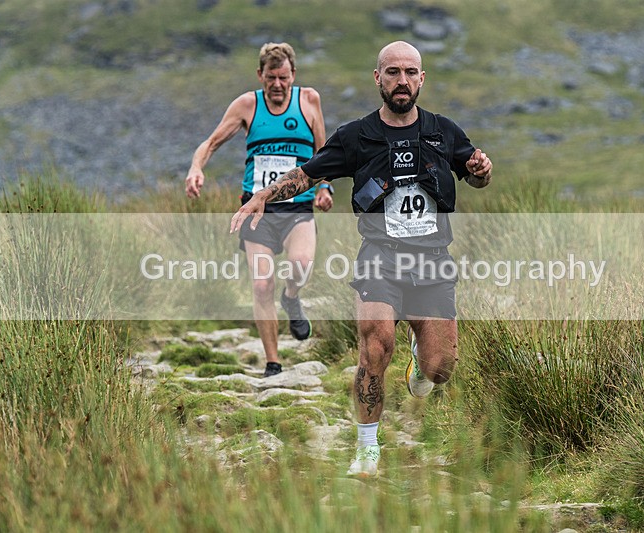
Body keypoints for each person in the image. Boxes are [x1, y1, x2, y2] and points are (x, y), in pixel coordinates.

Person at [230, 41, 492, 476]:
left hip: (432, 260)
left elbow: (476, 174)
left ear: (422, 78)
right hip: (379, 259)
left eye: (410, 72)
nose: (402, 81)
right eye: (393, 72)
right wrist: (263, 196)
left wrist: (482, 172)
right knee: (374, 350)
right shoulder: (356, 136)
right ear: (377, 78)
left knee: (440, 368)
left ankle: (420, 360)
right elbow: (307, 173)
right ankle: (367, 449)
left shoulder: (443, 131)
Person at [186, 42, 334, 377]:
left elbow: (323, 153)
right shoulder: (247, 105)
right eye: (271, 78)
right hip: (257, 209)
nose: (277, 84)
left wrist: (325, 187)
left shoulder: (309, 100)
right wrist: (196, 167)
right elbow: (210, 143)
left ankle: (291, 297)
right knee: (261, 285)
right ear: (260, 75)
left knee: (301, 265)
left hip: (297, 206)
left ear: (293, 75)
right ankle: (273, 362)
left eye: (284, 77)